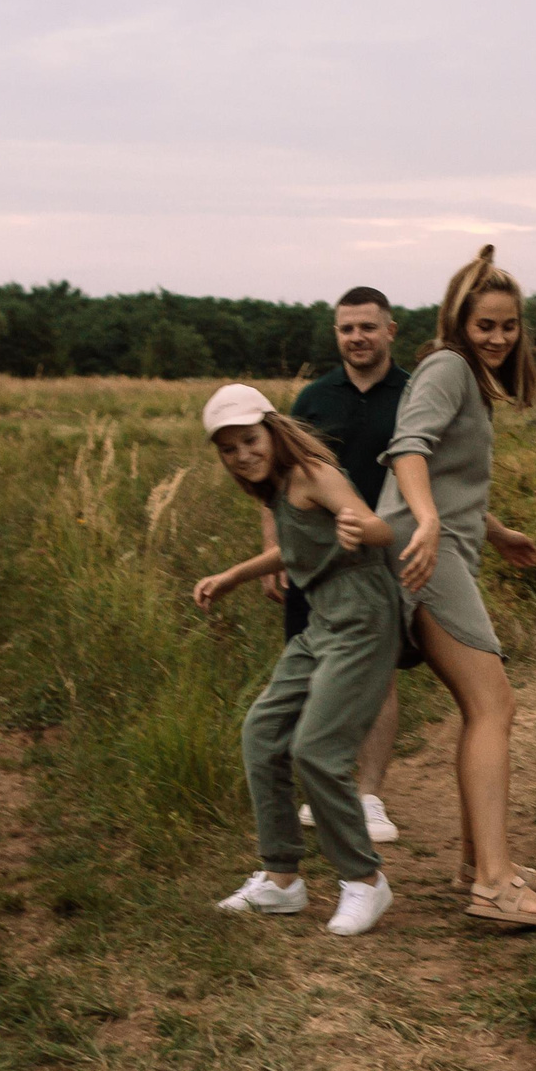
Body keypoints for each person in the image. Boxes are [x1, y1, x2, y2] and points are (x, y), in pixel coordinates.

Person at [380, 246, 536, 927]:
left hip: (443, 549)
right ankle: (493, 883)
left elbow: (450, 477)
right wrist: (428, 519)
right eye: (485, 324)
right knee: (494, 704)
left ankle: (479, 862)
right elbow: (408, 447)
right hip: (422, 557)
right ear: (459, 320)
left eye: (508, 325)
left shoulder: (467, 377)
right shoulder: (446, 366)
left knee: (482, 706)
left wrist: (493, 529)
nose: (497, 337)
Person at [191, 385, 401, 936]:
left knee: (316, 750)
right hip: (322, 622)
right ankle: (282, 880)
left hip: (362, 618)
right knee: (261, 733)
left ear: (272, 430)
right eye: (229, 449)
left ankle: (365, 881)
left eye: (250, 441)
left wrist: (365, 528)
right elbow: (299, 546)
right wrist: (235, 575)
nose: (242, 455)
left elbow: (381, 527)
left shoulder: (311, 472)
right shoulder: (276, 488)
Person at [268, 288, 410, 845]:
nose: (357, 338)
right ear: (336, 334)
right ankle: (324, 791)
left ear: (390, 330)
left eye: (367, 327)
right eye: (347, 329)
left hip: (384, 558)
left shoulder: (413, 395)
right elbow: (275, 484)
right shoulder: (312, 399)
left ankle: (370, 797)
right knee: (310, 670)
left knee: (378, 674)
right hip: (315, 565)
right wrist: (274, 560)